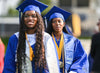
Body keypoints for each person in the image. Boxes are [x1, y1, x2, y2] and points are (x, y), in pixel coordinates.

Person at [3, 0, 60, 73]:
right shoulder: (15, 38)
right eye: (26, 16)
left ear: (38, 19)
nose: (30, 18)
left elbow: (53, 66)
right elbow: (9, 67)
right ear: (23, 18)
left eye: (34, 16)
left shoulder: (46, 38)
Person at [44, 6, 89, 73]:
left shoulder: (72, 41)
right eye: (54, 22)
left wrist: (74, 71)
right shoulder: (46, 40)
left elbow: (80, 58)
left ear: (64, 24)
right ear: (51, 24)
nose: (57, 24)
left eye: (59, 21)